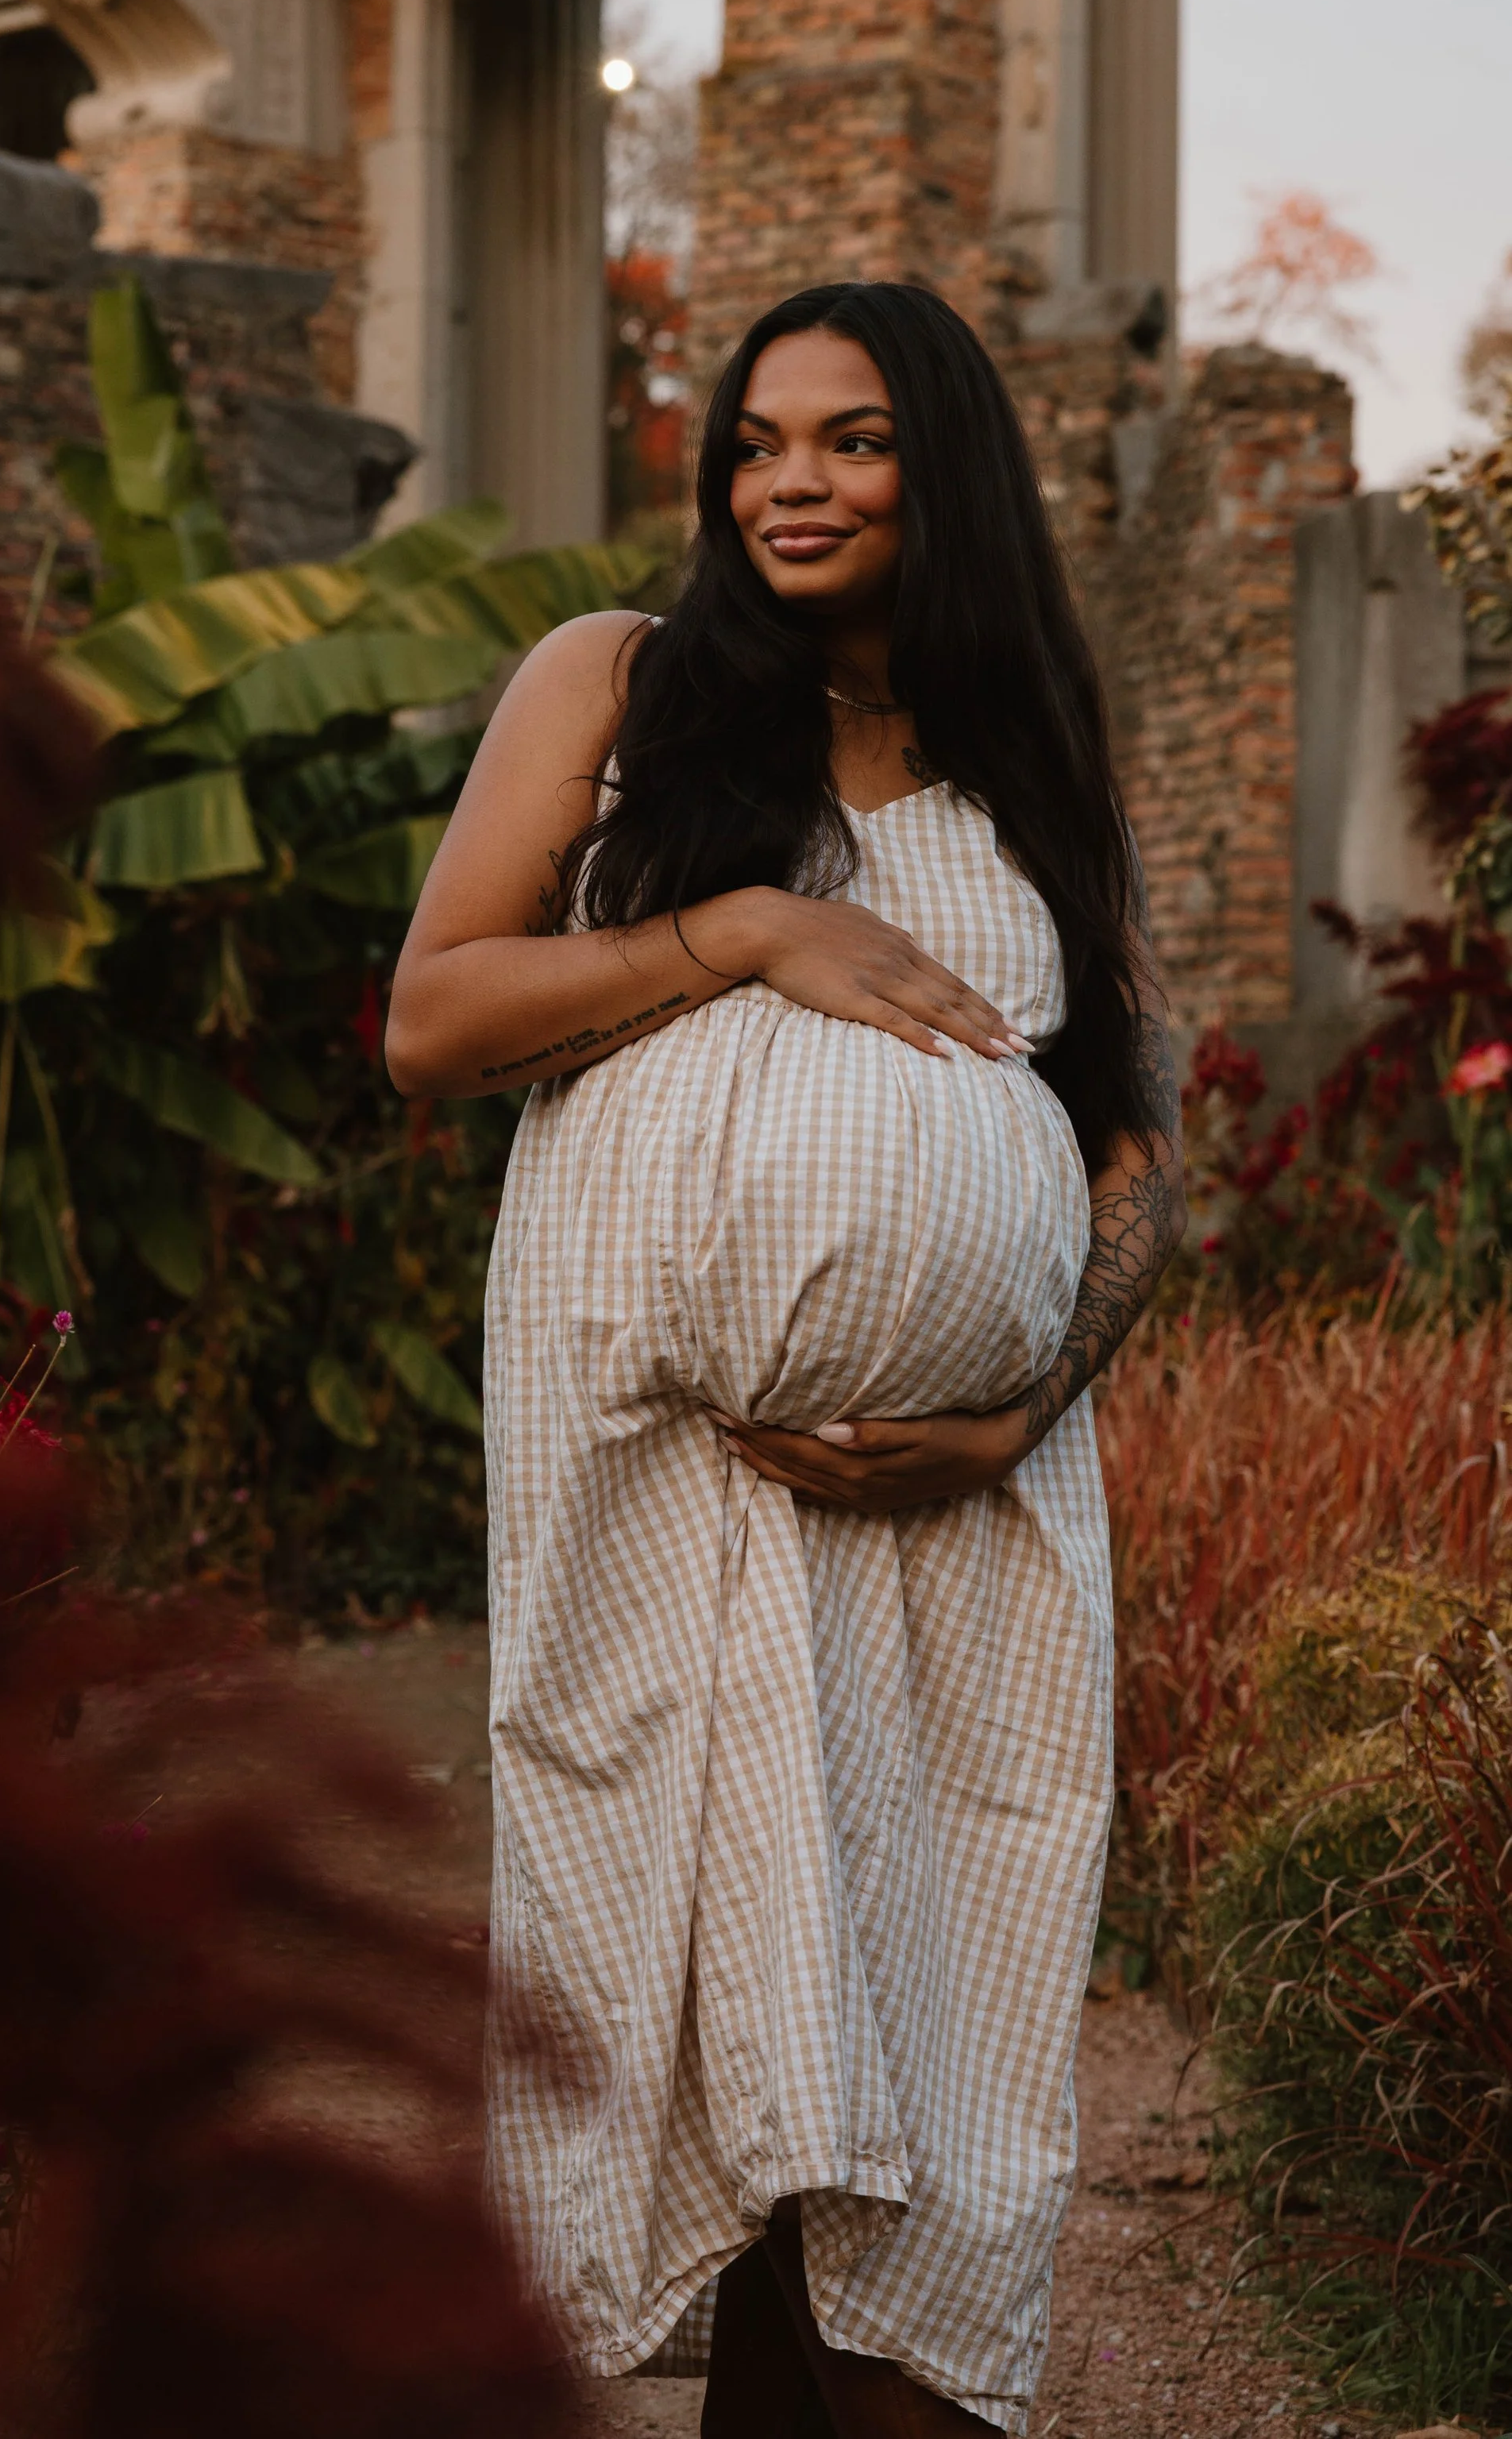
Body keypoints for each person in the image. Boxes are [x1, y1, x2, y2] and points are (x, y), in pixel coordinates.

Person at [385, 280, 1184, 2437]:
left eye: (845, 440)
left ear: (941, 468)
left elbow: (1135, 1148)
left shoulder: (1026, 760)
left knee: (926, 2115)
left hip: (965, 1523)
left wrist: (1016, 1408)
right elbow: (433, 1017)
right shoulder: (620, 685)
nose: (787, 483)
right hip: (672, 1496)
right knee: (729, 2104)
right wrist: (743, 927)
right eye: (752, 442)